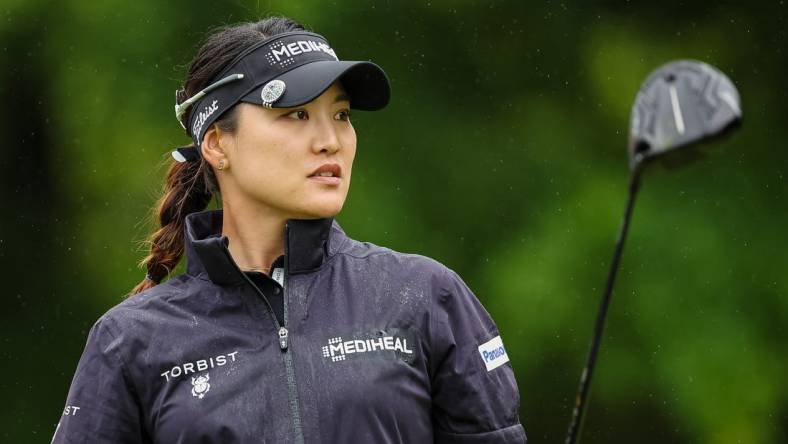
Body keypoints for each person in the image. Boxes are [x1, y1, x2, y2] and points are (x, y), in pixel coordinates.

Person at [52, 16, 527, 444]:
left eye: (341, 115)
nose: (330, 141)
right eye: (296, 114)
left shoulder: (428, 297)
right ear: (218, 144)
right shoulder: (129, 340)